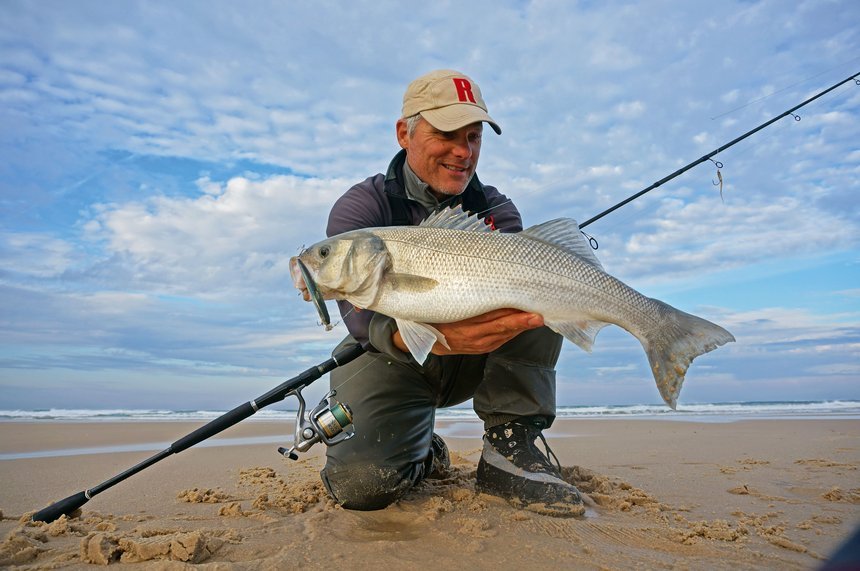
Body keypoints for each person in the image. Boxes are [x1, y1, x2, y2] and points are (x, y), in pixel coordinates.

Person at [307, 69, 583, 516]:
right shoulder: (362, 207)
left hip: (481, 354)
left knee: (540, 283)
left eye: (473, 137)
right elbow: (359, 319)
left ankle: (509, 450)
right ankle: (419, 448)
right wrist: (422, 335)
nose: (463, 151)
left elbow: (520, 310)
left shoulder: (497, 208)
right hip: (386, 355)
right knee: (361, 488)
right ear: (404, 133)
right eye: (447, 134)